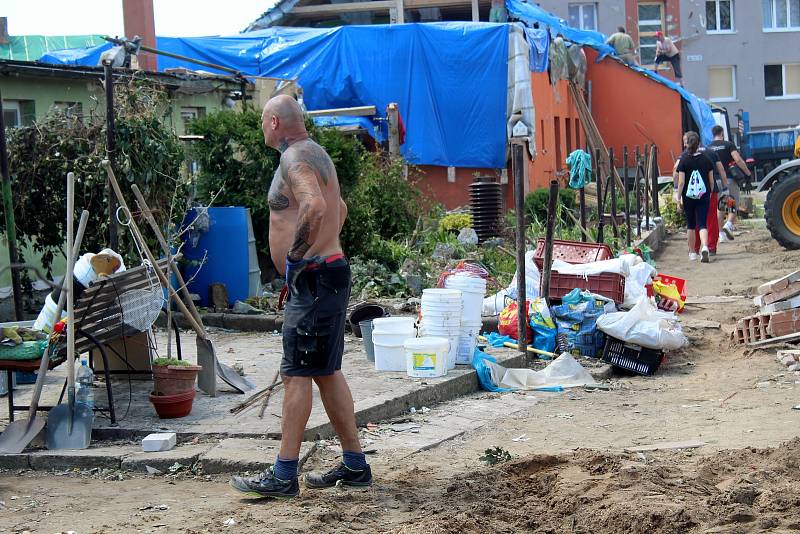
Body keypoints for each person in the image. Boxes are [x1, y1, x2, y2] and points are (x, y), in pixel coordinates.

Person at [230, 95, 371, 498]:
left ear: (274, 122)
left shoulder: (295, 159)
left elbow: (316, 206)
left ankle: (283, 474)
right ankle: (355, 465)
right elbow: (338, 208)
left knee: (296, 374)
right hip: (325, 274)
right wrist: (324, 248)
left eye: (262, 120)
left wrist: (295, 259)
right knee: (326, 371)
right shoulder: (314, 153)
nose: (261, 126)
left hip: (314, 279)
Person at [673, 142, 728, 256]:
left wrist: (676, 189)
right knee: (711, 219)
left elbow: (675, 169)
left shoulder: (684, 155)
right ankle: (711, 247)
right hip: (709, 191)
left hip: (691, 194)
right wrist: (725, 187)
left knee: (695, 221)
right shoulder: (711, 153)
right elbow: (721, 170)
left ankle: (695, 248)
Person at [708, 125, 752, 241]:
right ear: (722, 133)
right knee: (732, 203)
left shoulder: (708, 148)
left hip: (714, 180)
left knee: (720, 207)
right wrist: (747, 172)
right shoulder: (728, 145)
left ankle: (721, 235)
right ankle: (728, 224)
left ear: (713, 134)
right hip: (728, 179)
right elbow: (737, 159)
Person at [676, 131, 715, 263]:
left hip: (688, 197)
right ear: (698, 144)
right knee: (702, 224)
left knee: (691, 225)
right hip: (703, 196)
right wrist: (709, 192)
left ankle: (692, 252)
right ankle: (705, 246)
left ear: (687, 144)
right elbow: (711, 181)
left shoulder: (684, 160)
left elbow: (681, 182)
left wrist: (678, 198)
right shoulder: (706, 159)